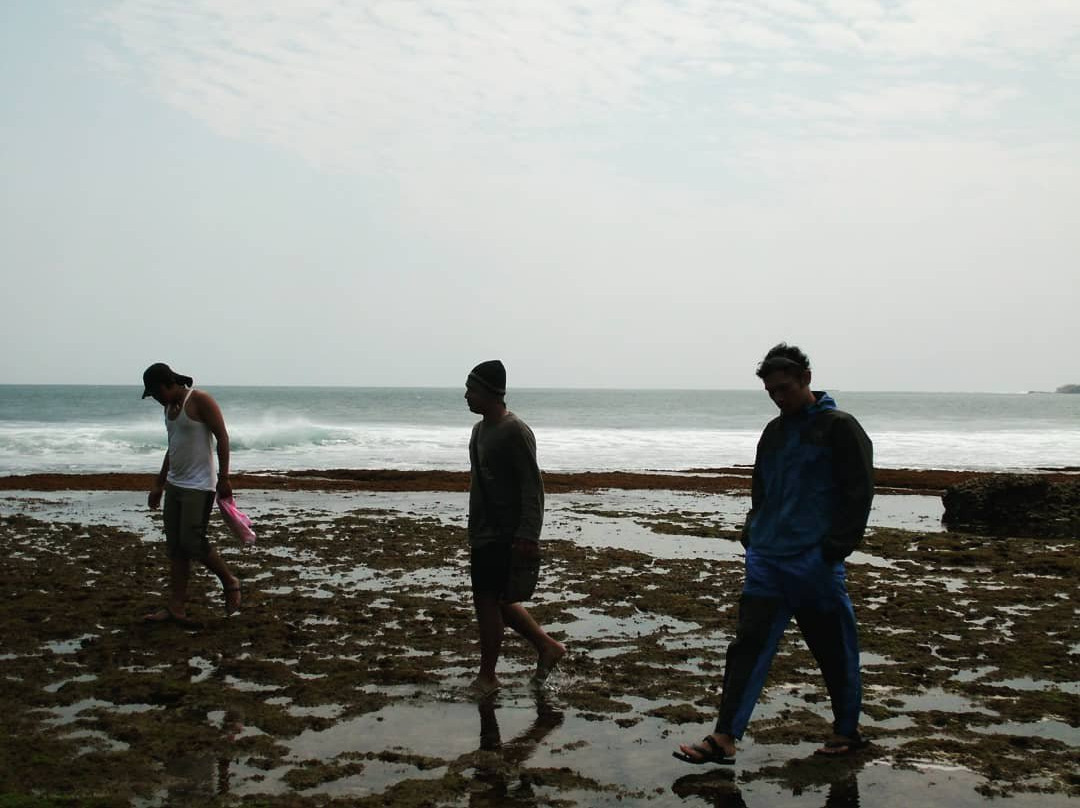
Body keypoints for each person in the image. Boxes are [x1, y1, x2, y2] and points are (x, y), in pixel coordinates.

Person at [675, 343, 874, 765]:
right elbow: (761, 489)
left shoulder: (840, 428)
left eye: (784, 388)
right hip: (767, 560)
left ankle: (847, 732)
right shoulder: (775, 432)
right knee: (747, 647)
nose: (778, 397)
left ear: (806, 379)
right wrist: (753, 532)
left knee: (834, 648)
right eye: (771, 391)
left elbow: (858, 494)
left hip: (814, 562)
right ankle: (724, 738)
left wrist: (834, 550)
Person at [465, 360, 566, 696]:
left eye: (473, 389)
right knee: (499, 602)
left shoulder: (514, 431)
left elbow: (531, 486)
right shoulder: (479, 431)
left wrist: (527, 534)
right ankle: (547, 646)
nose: (466, 395)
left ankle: (488, 677)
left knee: (487, 602)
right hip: (482, 531)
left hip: (504, 534)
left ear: (492, 394)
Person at [141, 362, 241, 623]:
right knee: (175, 549)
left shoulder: (199, 400)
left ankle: (230, 582)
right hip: (175, 484)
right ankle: (176, 607)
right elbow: (172, 447)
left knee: (192, 541)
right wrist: (159, 484)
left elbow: (222, 437)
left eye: (155, 393)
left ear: (168, 384)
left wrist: (225, 477)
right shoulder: (168, 408)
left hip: (199, 486)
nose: (155, 399)